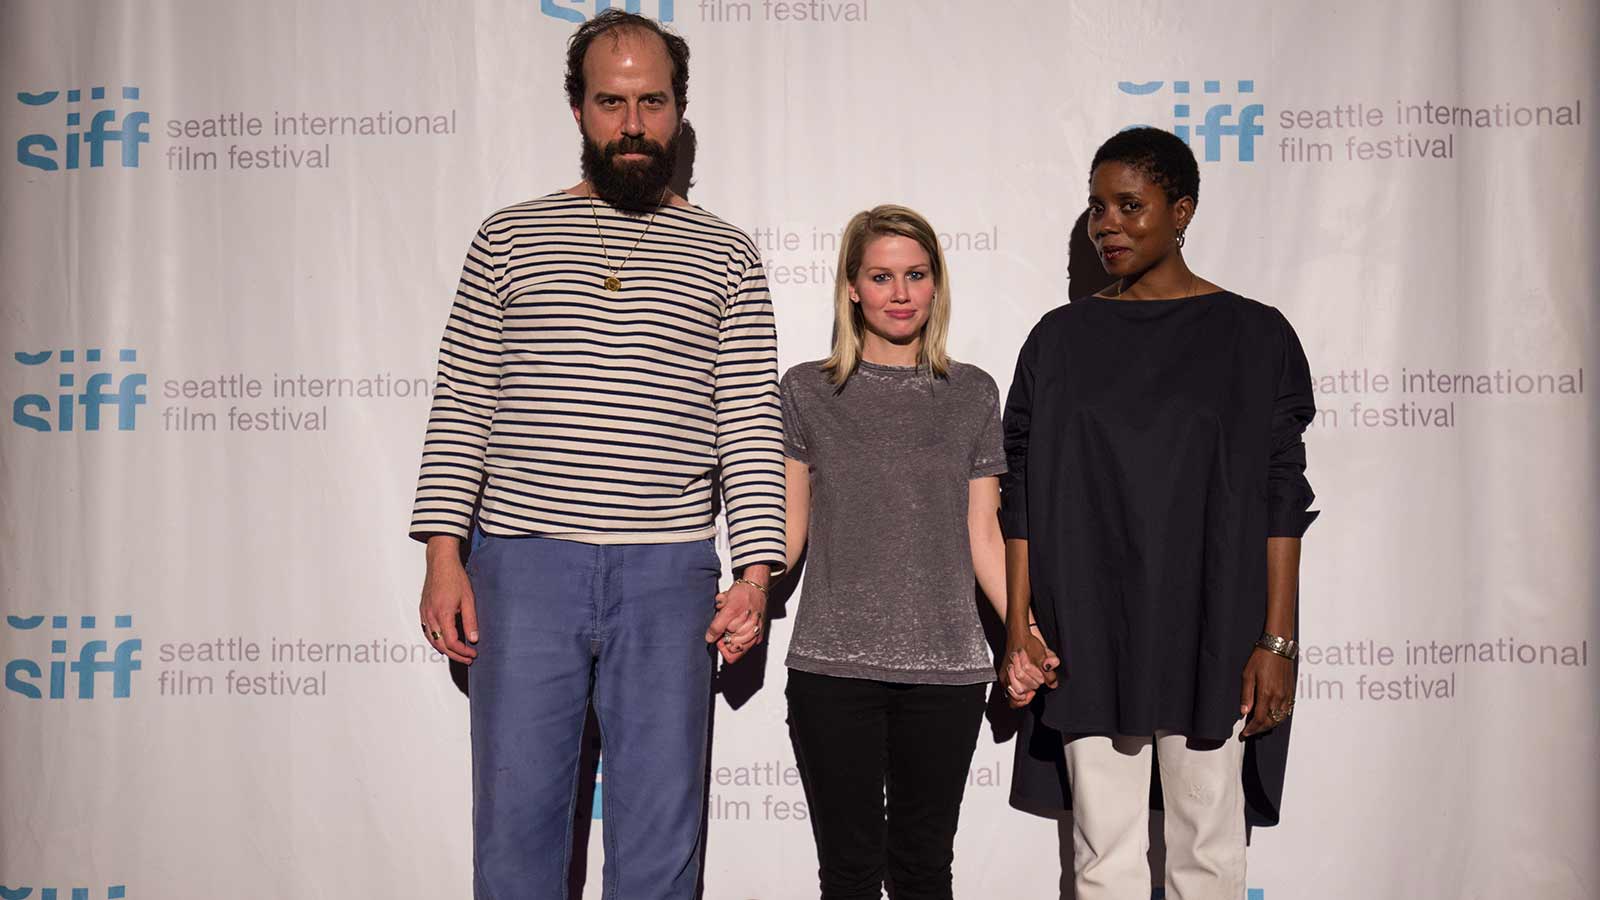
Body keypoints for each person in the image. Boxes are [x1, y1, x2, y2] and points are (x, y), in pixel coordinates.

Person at [408, 10, 783, 898]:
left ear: (678, 110)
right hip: (523, 569)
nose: (632, 124)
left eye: (651, 102)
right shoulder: (508, 237)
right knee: (516, 834)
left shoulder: (727, 253)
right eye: (611, 102)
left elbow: (749, 425)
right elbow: (462, 402)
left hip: (669, 573)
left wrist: (756, 573)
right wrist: (442, 554)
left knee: (661, 845)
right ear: (577, 110)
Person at [1001, 127, 1318, 900]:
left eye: (1129, 206)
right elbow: (1021, 493)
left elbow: (1284, 494)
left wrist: (1278, 640)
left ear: (1182, 211)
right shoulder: (1060, 339)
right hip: (1088, 626)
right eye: (1096, 208)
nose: (1106, 224)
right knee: (1102, 858)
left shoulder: (1255, 335)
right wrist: (1020, 619)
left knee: (1208, 855)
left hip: (1214, 628)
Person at [777, 204, 1049, 900]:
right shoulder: (807, 390)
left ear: (936, 284)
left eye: (915, 275)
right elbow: (788, 531)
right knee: (848, 874)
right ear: (852, 288)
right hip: (834, 667)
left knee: (926, 871)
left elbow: (983, 532)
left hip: (949, 670)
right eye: (881, 276)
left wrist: (1026, 629)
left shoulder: (973, 393)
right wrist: (744, 584)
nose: (900, 293)